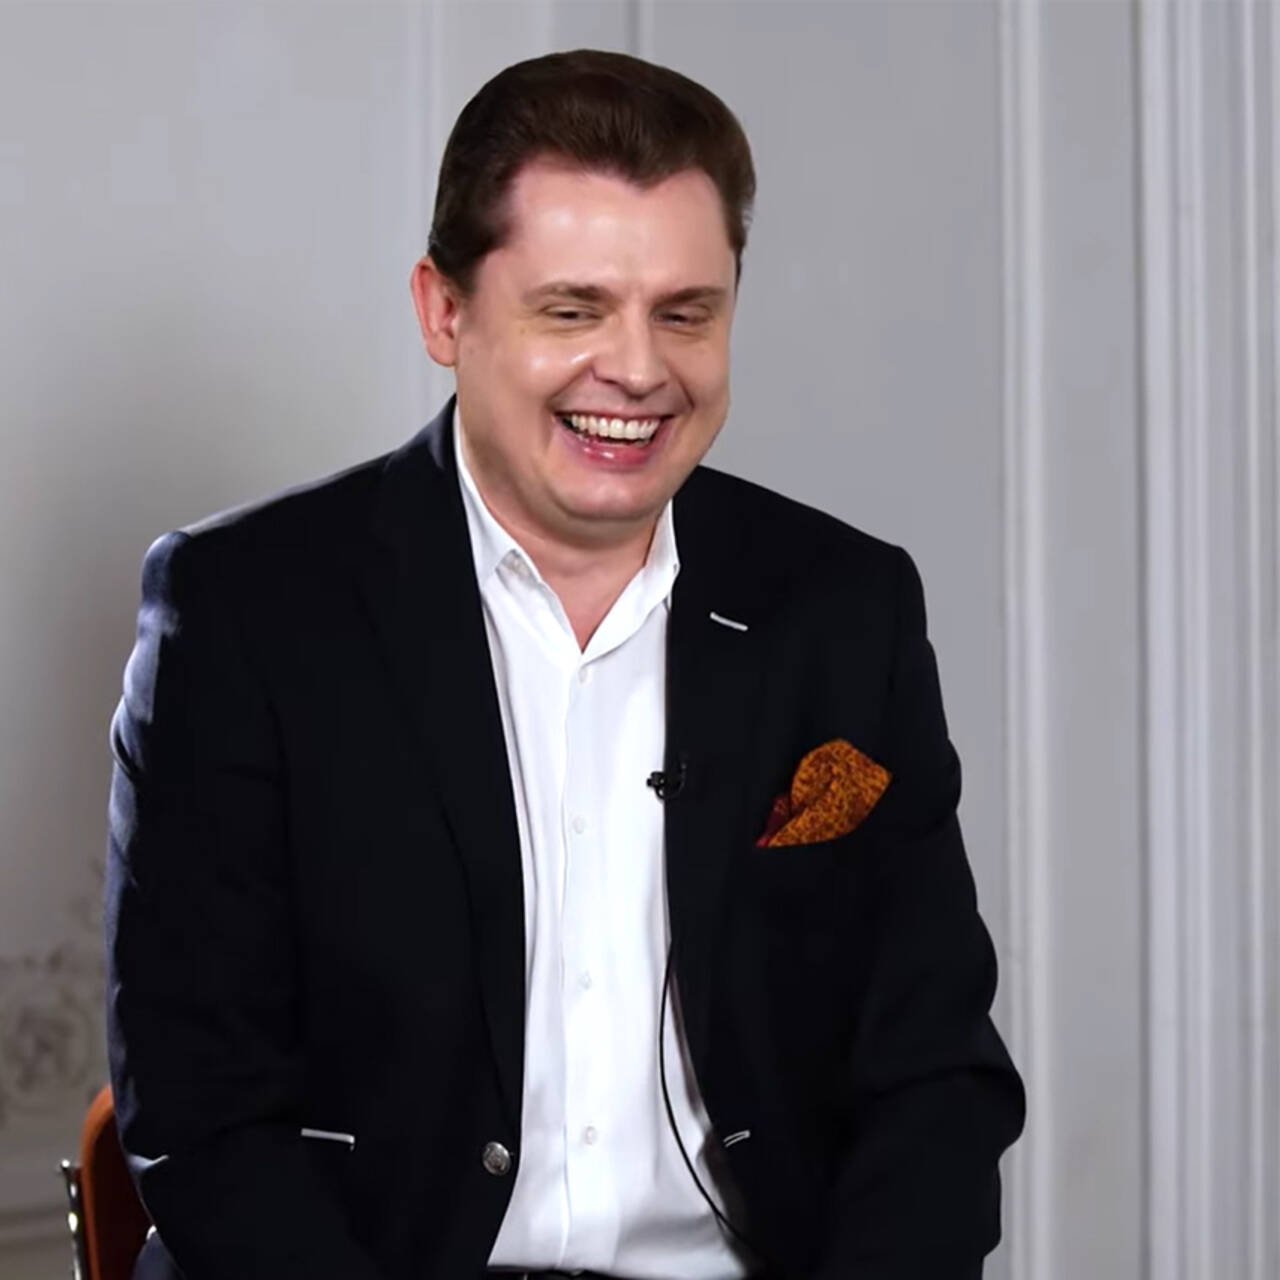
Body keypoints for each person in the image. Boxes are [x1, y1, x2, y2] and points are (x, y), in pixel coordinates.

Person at [106, 48, 1025, 1280]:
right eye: (573, 309)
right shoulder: (242, 610)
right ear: (443, 311)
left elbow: (935, 1076)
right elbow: (203, 1112)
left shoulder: (843, 608)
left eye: (683, 313)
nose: (638, 369)